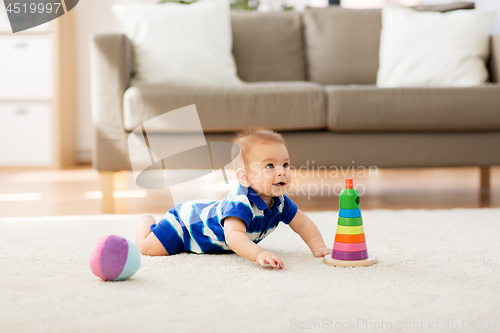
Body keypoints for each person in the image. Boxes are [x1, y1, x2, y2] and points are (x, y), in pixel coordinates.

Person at [135, 128, 331, 269]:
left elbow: (302, 223)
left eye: (285, 165)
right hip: (185, 225)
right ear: (244, 177)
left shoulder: (280, 202)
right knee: (148, 247)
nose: (281, 172)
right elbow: (234, 236)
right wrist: (258, 253)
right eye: (270, 166)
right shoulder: (241, 203)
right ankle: (146, 221)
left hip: (207, 215)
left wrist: (319, 246)